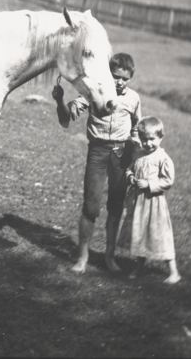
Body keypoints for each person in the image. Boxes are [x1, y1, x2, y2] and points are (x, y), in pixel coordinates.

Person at [52, 52, 141, 274]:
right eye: (115, 76)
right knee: (91, 207)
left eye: (124, 78)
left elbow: (137, 127)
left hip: (122, 155)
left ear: (130, 78)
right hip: (98, 154)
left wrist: (137, 149)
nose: (119, 82)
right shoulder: (94, 94)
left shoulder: (134, 99)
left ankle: (110, 257)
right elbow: (66, 119)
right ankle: (82, 257)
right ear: (108, 75)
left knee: (115, 208)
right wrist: (59, 100)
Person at [118, 116, 180, 284]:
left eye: (152, 139)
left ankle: (173, 272)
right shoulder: (138, 154)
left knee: (160, 235)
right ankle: (139, 268)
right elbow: (131, 168)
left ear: (161, 138)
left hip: (154, 203)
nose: (148, 143)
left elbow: (168, 181)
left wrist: (149, 184)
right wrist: (130, 176)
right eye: (144, 139)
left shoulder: (162, 158)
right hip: (138, 202)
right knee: (139, 233)